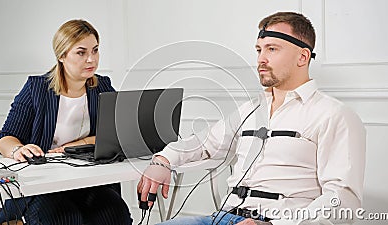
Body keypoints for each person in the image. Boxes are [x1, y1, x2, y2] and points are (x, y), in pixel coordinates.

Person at [137, 12, 366, 225]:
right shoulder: (249, 110)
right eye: (259, 50)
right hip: (221, 218)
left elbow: (343, 201)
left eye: (272, 49)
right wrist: (163, 160)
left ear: (302, 56)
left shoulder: (334, 115)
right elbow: (204, 143)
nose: (261, 60)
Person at [0, 19, 133, 225]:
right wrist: (17, 150)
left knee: (115, 214)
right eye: (81, 52)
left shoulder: (103, 86)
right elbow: (4, 138)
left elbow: (115, 134)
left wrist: (75, 146)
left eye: (95, 50)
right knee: (65, 219)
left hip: (87, 182)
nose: (91, 59)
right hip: (42, 186)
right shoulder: (37, 89)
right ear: (61, 55)